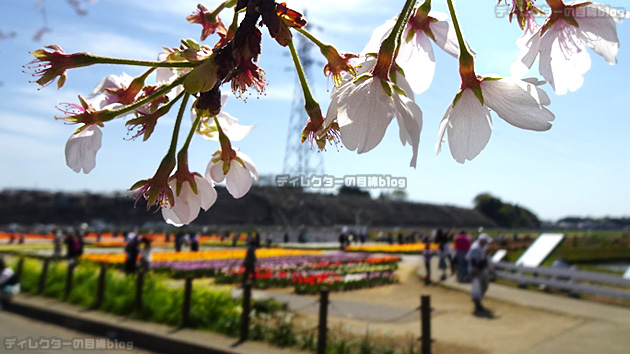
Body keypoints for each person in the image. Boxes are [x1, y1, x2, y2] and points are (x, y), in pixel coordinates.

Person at [467, 233, 493, 316]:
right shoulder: (475, 248)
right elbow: (473, 259)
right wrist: (475, 269)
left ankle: (477, 302)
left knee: (483, 286)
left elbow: (484, 258)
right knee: (478, 287)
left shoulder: (481, 247)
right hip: (476, 271)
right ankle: (477, 304)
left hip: (480, 270)